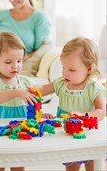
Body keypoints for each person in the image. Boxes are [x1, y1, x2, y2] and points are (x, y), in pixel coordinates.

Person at [28, 36, 106, 171]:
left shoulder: (93, 88)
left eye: (72, 69)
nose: (65, 73)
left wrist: (83, 115)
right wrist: (34, 90)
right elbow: (43, 89)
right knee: (71, 163)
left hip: (87, 133)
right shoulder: (61, 83)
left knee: (90, 164)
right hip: (66, 132)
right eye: (63, 67)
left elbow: (101, 112)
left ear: (89, 69)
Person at [0, 32, 52, 171]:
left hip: (20, 126)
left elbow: (31, 105)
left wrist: (40, 115)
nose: (15, 66)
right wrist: (17, 92)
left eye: (19, 61)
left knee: (18, 161)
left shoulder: (25, 82)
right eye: (8, 62)